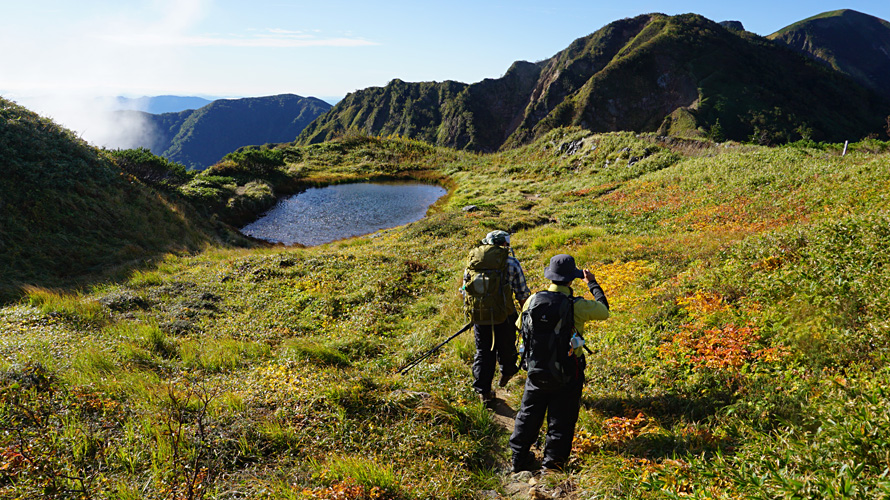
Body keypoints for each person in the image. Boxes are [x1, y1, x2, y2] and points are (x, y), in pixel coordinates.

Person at [509, 253, 610, 473]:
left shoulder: (532, 300)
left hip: (536, 369)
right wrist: (592, 283)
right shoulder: (576, 305)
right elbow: (604, 312)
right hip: (568, 371)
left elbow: (519, 325)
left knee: (528, 413)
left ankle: (518, 458)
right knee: (562, 418)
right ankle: (552, 466)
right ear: (571, 279)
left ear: (551, 276)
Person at [461, 230, 531, 405]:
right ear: (505, 244)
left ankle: (484, 392)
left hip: (480, 316)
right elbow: (522, 294)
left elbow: (466, 290)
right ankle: (506, 372)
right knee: (507, 346)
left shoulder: (473, 261)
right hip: (505, 315)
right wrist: (525, 317)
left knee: (483, 352)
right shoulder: (512, 263)